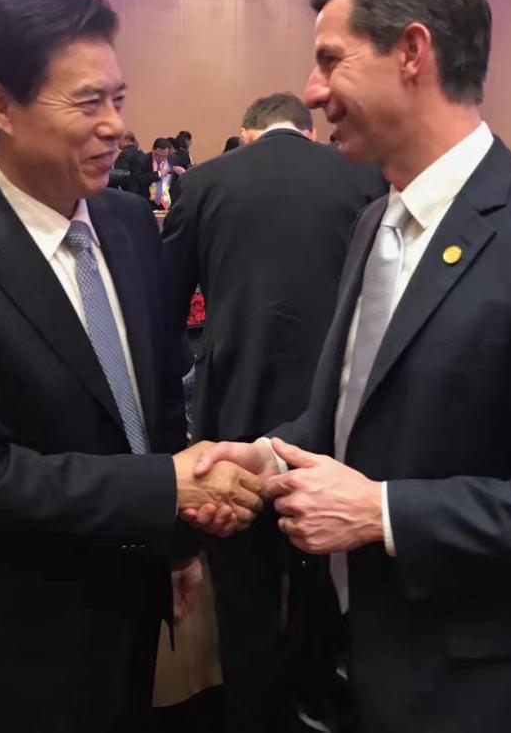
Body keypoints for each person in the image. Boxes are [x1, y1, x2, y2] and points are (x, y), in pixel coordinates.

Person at [189, 0, 511, 733]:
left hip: (491, 693)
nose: (312, 93)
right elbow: (350, 417)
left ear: (412, 52)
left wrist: (384, 513)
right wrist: (269, 456)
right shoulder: (375, 220)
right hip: (361, 663)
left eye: (330, 61)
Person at [0, 0, 265, 733]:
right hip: (18, 643)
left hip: (129, 612)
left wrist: (179, 539)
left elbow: (157, 403)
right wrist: (168, 488)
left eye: (119, 99)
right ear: (0, 106)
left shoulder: (126, 224)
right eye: (89, 104)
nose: (116, 127)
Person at [164, 91, 384, 733]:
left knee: (246, 592)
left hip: (234, 415)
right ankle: (316, 701)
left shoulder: (203, 181)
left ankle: (251, 712)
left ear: (246, 133)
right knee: (326, 574)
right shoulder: (363, 179)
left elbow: (167, 313)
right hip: (337, 421)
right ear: (310, 133)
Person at [138, 136, 182, 210]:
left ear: (169, 152)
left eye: (164, 156)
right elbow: (138, 179)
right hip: (148, 202)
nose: (161, 159)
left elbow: (180, 180)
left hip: (168, 203)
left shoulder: (175, 159)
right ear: (153, 150)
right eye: (158, 155)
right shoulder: (142, 160)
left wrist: (182, 172)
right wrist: (158, 174)